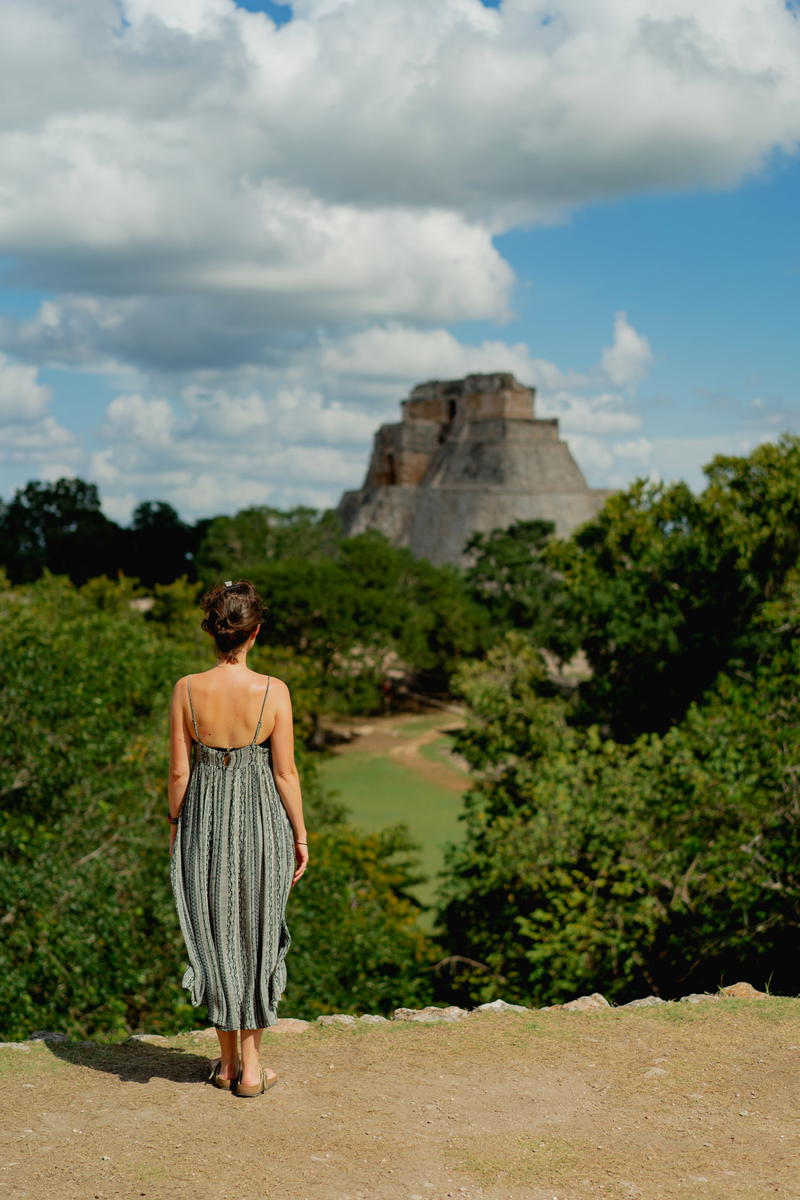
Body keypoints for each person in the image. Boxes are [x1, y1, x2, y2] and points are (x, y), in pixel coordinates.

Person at [168, 579, 308, 1097]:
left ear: (213, 631)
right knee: (256, 935)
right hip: (262, 825)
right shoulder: (274, 690)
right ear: (254, 633)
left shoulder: (186, 689)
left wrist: (174, 829)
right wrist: (301, 834)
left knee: (215, 936)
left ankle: (226, 1064)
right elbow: (285, 773)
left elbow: (180, 774)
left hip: (203, 826)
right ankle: (251, 1068)